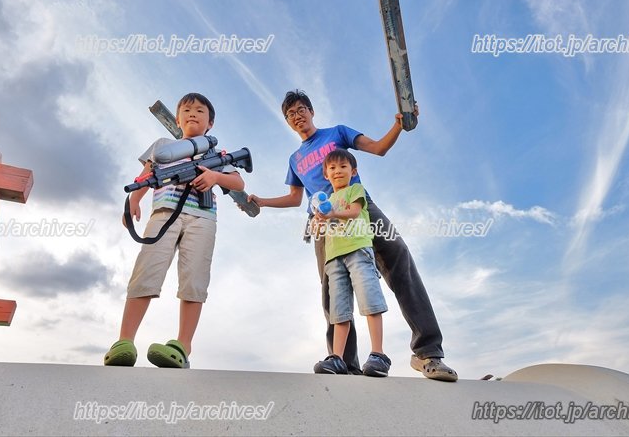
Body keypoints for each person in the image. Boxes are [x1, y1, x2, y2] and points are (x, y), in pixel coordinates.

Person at [247, 90, 457, 381]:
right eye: (290, 114)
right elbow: (295, 198)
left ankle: (428, 353)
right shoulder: (295, 159)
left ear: (311, 111)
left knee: (399, 259)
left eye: (301, 110)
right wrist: (262, 201)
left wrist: (399, 124)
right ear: (288, 121)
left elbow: (378, 148)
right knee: (332, 287)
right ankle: (344, 362)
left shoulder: (337, 132)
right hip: (323, 223)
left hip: (360, 206)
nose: (297, 116)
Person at [104, 93, 244, 369]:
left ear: (210, 123)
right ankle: (124, 341)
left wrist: (214, 176)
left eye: (200, 111)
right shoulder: (163, 145)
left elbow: (237, 182)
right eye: (187, 110)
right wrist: (132, 202)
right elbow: (145, 175)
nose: (193, 114)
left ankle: (182, 347)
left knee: (194, 279)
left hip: (203, 218)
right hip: (164, 213)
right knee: (147, 270)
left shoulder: (216, 154)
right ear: (178, 118)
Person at [313, 148, 390, 377]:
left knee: (370, 299)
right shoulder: (325, 201)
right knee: (339, 310)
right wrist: (319, 222)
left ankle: (378, 354)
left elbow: (355, 211)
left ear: (353, 171)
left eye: (343, 167)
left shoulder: (355, 190)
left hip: (358, 251)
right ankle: (337, 358)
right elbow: (322, 229)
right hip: (334, 258)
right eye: (332, 168)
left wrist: (331, 213)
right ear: (326, 174)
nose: (338, 171)